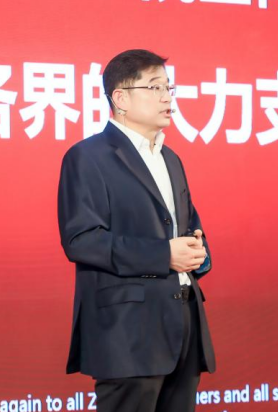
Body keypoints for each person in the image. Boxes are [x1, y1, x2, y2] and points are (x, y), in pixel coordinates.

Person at [57, 49, 216, 412]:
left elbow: (188, 226)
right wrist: (164, 255)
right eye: (155, 87)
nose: (167, 97)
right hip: (128, 334)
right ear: (121, 98)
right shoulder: (88, 157)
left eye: (169, 87)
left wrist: (198, 253)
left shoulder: (170, 158)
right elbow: (82, 240)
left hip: (183, 325)